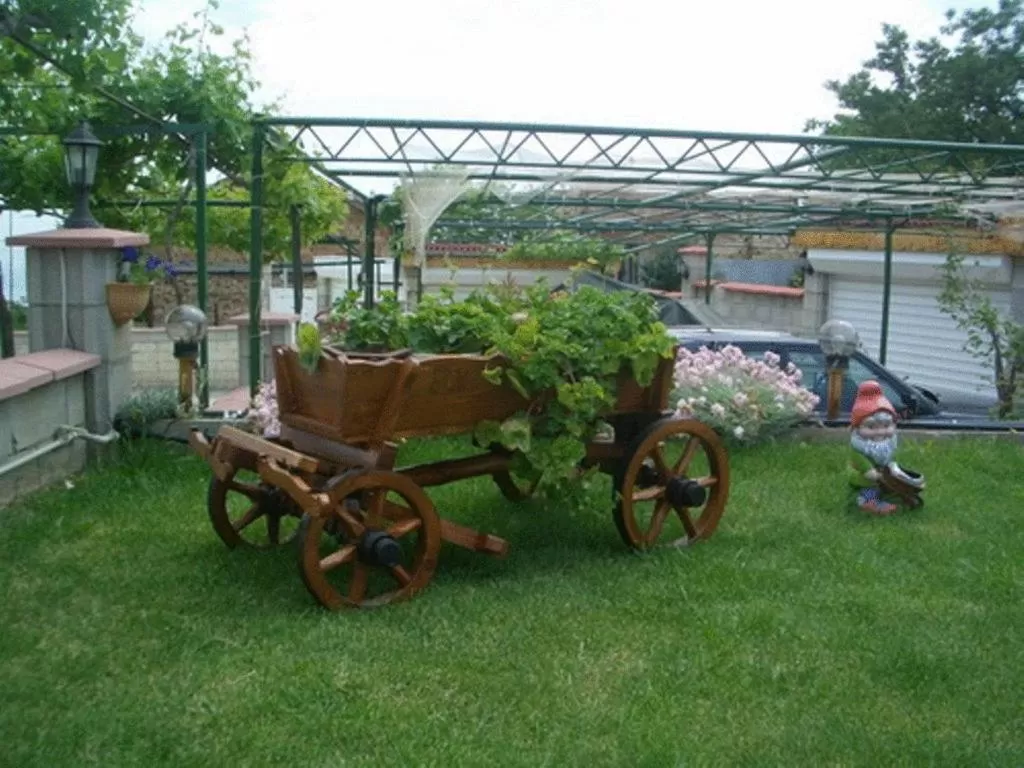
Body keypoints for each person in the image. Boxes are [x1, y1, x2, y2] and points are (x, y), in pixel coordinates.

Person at [847, 380, 904, 515]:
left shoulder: (888, 444)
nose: (880, 432)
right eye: (871, 427)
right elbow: (861, 463)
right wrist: (870, 472)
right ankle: (867, 502)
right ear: (857, 428)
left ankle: (885, 493)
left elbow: (889, 458)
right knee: (870, 487)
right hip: (864, 478)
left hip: (881, 476)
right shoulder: (858, 448)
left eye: (886, 426)